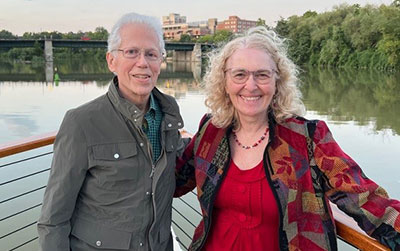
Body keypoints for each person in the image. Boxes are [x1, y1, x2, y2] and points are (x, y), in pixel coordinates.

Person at [174, 26, 400, 251]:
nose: (250, 86)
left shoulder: (307, 138)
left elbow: (366, 199)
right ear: (224, 81)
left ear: (277, 81)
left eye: (262, 75)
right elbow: (172, 181)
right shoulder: (211, 131)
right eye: (239, 74)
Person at [38, 12, 186, 251]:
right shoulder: (81, 122)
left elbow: (183, 163)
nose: (142, 63)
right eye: (131, 52)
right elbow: (53, 220)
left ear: (161, 61)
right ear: (111, 61)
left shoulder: (169, 114)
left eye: (151, 54)